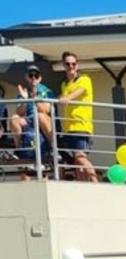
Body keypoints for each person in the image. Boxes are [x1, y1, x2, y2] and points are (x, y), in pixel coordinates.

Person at [57, 51, 97, 182]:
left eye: (73, 64)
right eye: (68, 64)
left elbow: (77, 92)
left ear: (77, 65)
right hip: (68, 128)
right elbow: (63, 99)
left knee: (80, 157)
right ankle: (83, 186)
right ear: (64, 65)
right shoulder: (64, 84)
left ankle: (96, 182)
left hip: (82, 126)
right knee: (76, 163)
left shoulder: (84, 79)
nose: (71, 66)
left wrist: (66, 98)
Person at [11, 63, 55, 164]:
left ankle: (54, 148)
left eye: (36, 75)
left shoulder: (46, 91)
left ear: (40, 78)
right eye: (31, 75)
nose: (33, 78)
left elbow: (46, 110)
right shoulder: (23, 92)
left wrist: (34, 96)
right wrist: (25, 100)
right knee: (14, 118)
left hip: (44, 123)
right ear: (26, 77)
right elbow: (19, 112)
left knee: (40, 116)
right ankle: (20, 150)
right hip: (29, 123)